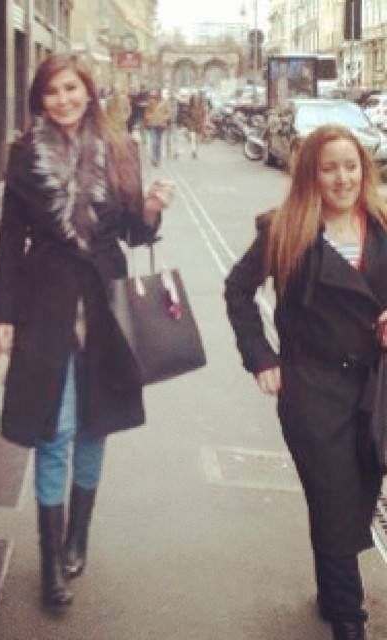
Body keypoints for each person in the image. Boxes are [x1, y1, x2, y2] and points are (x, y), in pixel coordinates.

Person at [0, 54, 174, 609]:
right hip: (46, 303)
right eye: (52, 91)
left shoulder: (120, 148)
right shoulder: (25, 155)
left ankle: (78, 538)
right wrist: (2, 314)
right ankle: (51, 565)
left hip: (106, 303)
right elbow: (9, 238)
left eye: (71, 88)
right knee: (55, 429)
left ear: (88, 92)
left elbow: (136, 234)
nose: (63, 99)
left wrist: (152, 207)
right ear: (40, 100)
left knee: (95, 426)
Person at [224, 125, 387, 640]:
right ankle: (348, 619)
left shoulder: (382, 224)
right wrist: (260, 357)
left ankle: (331, 591)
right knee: (334, 496)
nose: (342, 179)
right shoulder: (285, 229)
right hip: (313, 389)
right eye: (329, 168)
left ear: (364, 170)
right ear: (311, 175)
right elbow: (237, 290)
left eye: (351, 166)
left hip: (375, 388)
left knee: (355, 492)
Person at [143, 88, 171, 166]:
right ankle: (154, 158)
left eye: (157, 93)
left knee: (158, 142)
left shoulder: (165, 102)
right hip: (152, 124)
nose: (156, 95)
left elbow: (168, 112)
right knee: (154, 141)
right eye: (155, 93)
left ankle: (158, 158)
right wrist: (149, 117)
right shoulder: (150, 102)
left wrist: (165, 118)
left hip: (161, 125)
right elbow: (146, 112)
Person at [187, 92, 207, 159]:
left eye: (197, 99)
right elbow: (188, 117)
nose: (196, 100)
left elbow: (204, 116)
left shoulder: (202, 108)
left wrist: (203, 124)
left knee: (198, 140)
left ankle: (196, 151)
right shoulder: (190, 108)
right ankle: (193, 151)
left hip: (199, 125)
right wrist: (189, 125)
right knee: (193, 138)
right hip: (192, 125)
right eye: (195, 99)